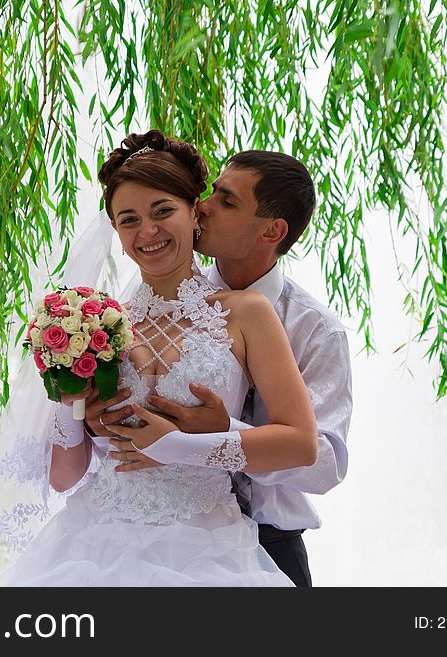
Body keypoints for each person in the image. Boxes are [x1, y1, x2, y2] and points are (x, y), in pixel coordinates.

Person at [0, 130, 317, 586]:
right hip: (91, 545)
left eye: (163, 211)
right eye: (128, 220)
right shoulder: (95, 327)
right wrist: (73, 404)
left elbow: (302, 444)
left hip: (207, 548)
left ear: (194, 213)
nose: (147, 232)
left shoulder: (246, 314)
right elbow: (64, 478)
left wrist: (178, 446)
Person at [104, 150, 353, 587]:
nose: (203, 205)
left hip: (268, 542)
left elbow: (324, 462)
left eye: (226, 201)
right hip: (147, 535)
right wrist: (92, 421)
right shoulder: (154, 299)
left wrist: (218, 431)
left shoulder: (315, 330)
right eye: (211, 192)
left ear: (272, 230)